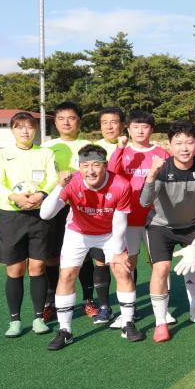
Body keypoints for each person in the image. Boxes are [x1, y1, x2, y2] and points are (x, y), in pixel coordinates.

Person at [39, 145, 144, 349]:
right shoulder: (72, 183)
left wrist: (117, 252)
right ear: (79, 167)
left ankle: (128, 323)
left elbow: (120, 220)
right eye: (85, 165)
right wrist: (59, 186)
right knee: (67, 275)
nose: (91, 170)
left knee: (122, 270)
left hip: (109, 232)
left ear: (105, 166)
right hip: (78, 232)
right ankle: (65, 331)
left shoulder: (121, 184)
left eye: (96, 164)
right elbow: (45, 214)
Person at [139, 120, 195, 342]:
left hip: (194, 226)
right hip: (160, 226)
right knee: (161, 269)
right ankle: (160, 323)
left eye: (189, 142)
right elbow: (144, 201)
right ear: (169, 145)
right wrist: (150, 176)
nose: (184, 148)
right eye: (178, 143)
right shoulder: (162, 168)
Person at [0, 112, 58, 337]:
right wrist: (15, 197)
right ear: (13, 130)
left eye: (29, 127)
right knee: (15, 269)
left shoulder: (46, 152)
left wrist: (41, 194)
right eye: (19, 127)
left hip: (39, 215)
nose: (25, 131)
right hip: (12, 216)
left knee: (38, 267)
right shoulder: (1, 154)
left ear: (35, 130)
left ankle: (39, 318)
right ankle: (15, 321)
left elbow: (52, 178)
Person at [108, 110, 174, 327]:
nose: (140, 130)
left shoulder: (161, 154)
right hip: (129, 217)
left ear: (151, 130)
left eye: (144, 126)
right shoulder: (123, 152)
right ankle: (130, 309)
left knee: (160, 263)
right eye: (135, 126)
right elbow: (110, 173)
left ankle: (164, 310)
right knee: (129, 263)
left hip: (156, 218)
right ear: (128, 129)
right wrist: (119, 148)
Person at [42, 101, 95, 322]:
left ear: (78, 122)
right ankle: (51, 302)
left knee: (83, 255)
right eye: (61, 118)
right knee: (52, 256)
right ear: (55, 122)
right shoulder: (46, 147)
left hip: (81, 207)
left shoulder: (89, 145)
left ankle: (89, 301)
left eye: (71, 118)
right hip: (55, 206)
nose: (66, 122)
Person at [89, 106, 125, 324]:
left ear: (121, 124)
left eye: (114, 122)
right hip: (99, 214)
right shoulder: (93, 149)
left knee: (124, 261)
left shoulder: (130, 147)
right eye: (105, 123)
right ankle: (104, 307)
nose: (109, 127)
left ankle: (126, 307)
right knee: (100, 262)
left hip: (123, 212)